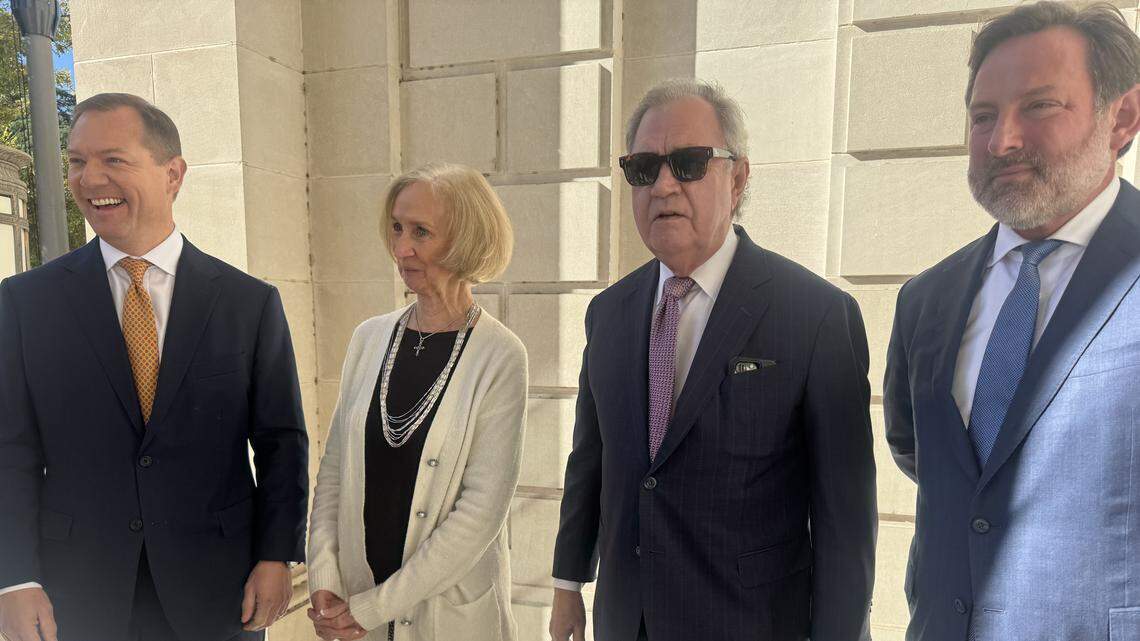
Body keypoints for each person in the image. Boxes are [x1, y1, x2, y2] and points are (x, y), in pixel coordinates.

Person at [549, 78, 877, 641]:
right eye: (644, 169)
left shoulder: (816, 316)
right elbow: (591, 460)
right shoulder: (608, 314)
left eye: (690, 163)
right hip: (628, 621)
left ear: (739, 176)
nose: (665, 186)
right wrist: (567, 584)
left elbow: (845, 522)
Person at [0, 93, 308, 641]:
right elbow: (10, 450)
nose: (90, 178)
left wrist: (276, 555)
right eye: (77, 161)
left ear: (173, 174)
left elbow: (281, 441)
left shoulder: (248, 303)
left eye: (113, 160)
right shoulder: (25, 303)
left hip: (218, 589)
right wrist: (14, 578)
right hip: (78, 592)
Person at [883, 3, 1140, 639]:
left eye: (1040, 106)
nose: (1004, 141)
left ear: (1123, 118)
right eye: (983, 116)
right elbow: (923, 456)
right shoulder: (926, 300)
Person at [306, 163, 528, 641]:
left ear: (465, 240)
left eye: (421, 232)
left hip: (447, 619)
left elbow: (480, 513)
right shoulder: (368, 338)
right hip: (355, 612)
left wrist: (375, 607)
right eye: (397, 227)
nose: (401, 248)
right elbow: (334, 473)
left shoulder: (500, 355)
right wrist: (324, 576)